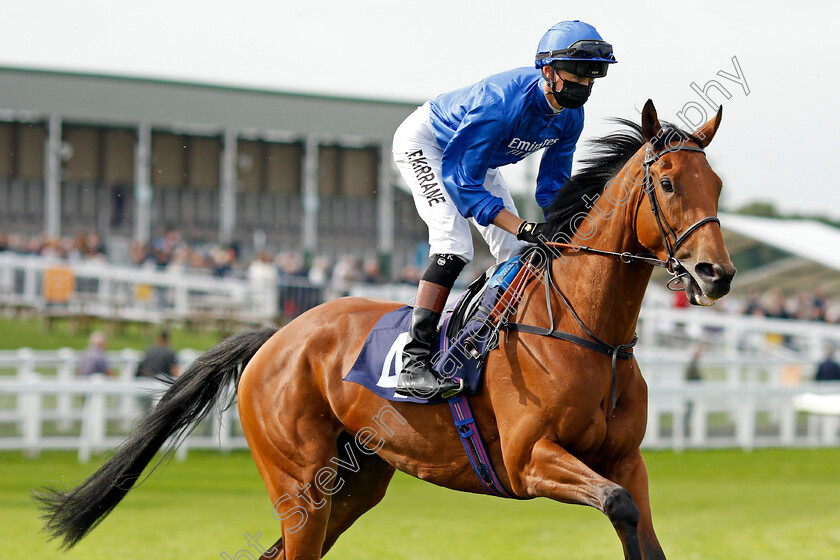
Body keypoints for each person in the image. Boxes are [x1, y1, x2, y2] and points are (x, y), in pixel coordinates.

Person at [392, 20, 616, 398]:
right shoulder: (499, 104)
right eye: (577, 75)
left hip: (480, 160)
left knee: (516, 254)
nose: (585, 86)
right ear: (547, 71)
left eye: (592, 78)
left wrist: (572, 229)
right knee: (454, 244)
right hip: (429, 146)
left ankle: (483, 344)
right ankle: (413, 364)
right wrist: (526, 227)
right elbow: (462, 183)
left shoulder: (571, 116)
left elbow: (553, 188)